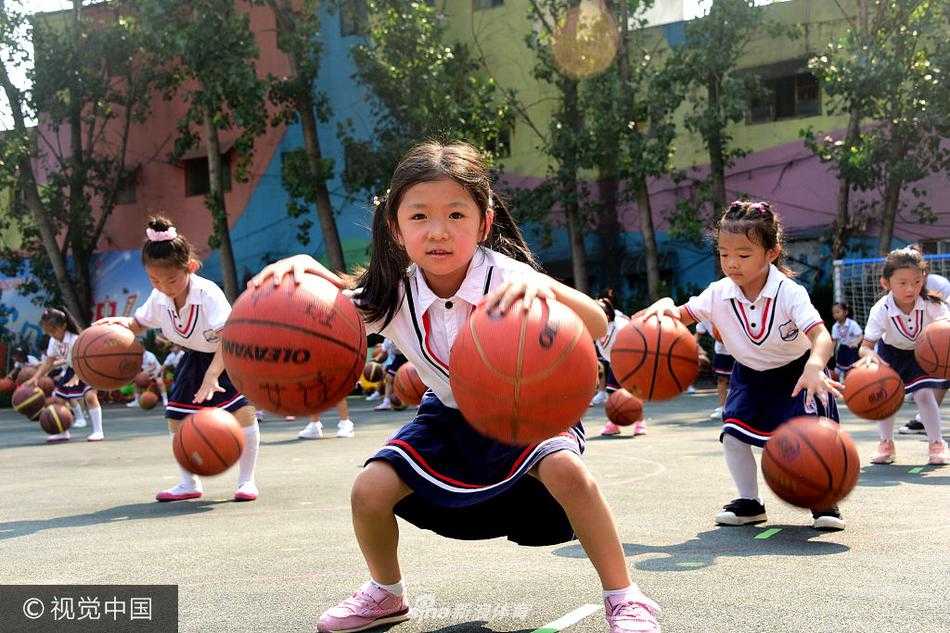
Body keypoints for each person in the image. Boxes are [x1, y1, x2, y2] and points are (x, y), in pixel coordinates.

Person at [253, 142, 661, 633]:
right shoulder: (392, 293)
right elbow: (327, 315)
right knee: (369, 490)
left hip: (522, 407)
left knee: (569, 474)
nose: (438, 230)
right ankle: (386, 593)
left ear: (484, 223)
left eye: (455, 214)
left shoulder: (508, 278)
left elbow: (595, 323)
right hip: (448, 418)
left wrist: (545, 289)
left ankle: (625, 596)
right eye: (420, 216)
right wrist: (303, 272)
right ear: (396, 229)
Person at [639, 200, 845, 531]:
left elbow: (822, 337)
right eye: (724, 254)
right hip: (749, 376)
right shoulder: (717, 293)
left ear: (772, 252)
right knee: (733, 436)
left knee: (812, 442)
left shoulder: (789, 293)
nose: (732, 263)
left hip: (798, 373)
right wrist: (663, 309)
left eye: (744, 255)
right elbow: (677, 316)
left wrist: (815, 366)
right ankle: (750, 502)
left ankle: (823, 499)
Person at [96, 217, 261, 502]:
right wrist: (116, 324)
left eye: (171, 279)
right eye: (154, 279)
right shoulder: (159, 298)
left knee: (242, 412)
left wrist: (213, 375)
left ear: (191, 268)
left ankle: (247, 481)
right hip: (194, 357)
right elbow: (138, 324)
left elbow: (228, 337)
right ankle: (189, 484)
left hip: (228, 354)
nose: (163, 286)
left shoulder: (208, 294)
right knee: (176, 418)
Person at [858, 247, 950, 465]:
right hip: (891, 354)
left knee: (924, 395)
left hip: (923, 354)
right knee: (887, 399)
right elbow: (866, 345)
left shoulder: (933, 304)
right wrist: (870, 357)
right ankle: (886, 443)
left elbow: (944, 334)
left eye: (917, 282)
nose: (911, 288)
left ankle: (937, 443)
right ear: (886, 283)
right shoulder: (880, 309)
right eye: (903, 283)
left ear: (924, 279)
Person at [24, 308, 104, 442]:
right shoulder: (53, 341)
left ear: (64, 326)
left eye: (53, 330)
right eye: (48, 331)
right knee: (59, 400)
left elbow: (88, 358)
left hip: (87, 368)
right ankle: (63, 431)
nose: (51, 334)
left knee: (90, 397)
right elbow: (49, 362)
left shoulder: (75, 339)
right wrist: (35, 377)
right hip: (72, 370)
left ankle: (98, 431)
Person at [592, 296, 647, 437]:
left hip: (630, 362)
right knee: (612, 394)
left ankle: (640, 422)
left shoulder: (620, 325)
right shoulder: (595, 327)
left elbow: (635, 337)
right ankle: (614, 423)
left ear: (607, 314)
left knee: (634, 394)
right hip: (614, 363)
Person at [695, 320, 733, 419]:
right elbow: (697, 336)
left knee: (738, 380)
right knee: (721, 379)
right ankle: (723, 408)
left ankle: (736, 407)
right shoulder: (703, 316)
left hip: (739, 350)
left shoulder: (728, 310)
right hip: (721, 351)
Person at [830, 302, 862, 382]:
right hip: (842, 349)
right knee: (838, 370)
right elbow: (834, 340)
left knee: (851, 371)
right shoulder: (835, 327)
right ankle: (840, 386)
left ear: (845, 312)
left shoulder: (852, 324)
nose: (835, 315)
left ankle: (852, 385)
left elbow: (861, 335)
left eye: (838, 312)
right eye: (833, 313)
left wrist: (855, 343)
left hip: (852, 350)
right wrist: (831, 351)